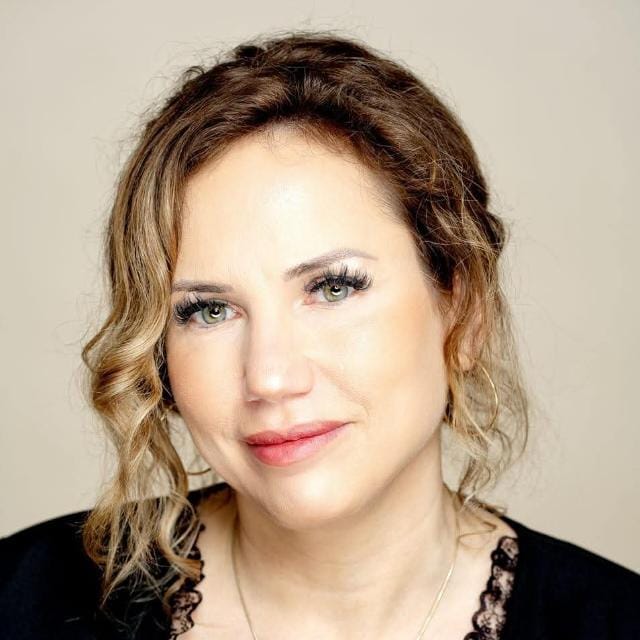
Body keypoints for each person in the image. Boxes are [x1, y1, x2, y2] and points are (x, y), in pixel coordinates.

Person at [1, 30, 638, 640]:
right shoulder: (19, 600)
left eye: (333, 288)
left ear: (463, 312)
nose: (270, 377)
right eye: (209, 310)